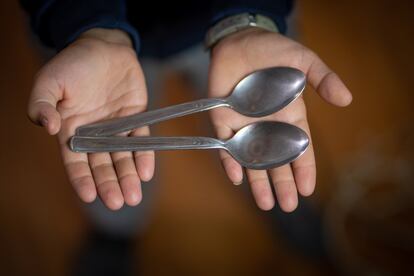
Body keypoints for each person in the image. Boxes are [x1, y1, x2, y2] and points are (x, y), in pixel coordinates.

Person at [21, 0, 352, 214]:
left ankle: (281, 209)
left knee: (239, 142)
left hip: (236, 23)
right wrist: (87, 25)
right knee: (111, 175)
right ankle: (117, 233)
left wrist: (250, 17)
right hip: (84, 36)